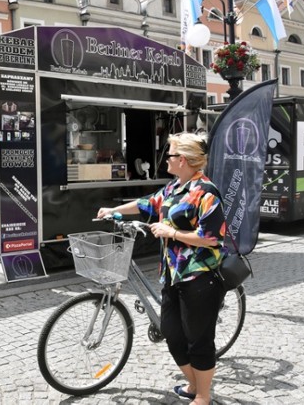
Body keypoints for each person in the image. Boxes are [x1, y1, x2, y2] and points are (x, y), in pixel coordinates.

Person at [97, 132, 226, 405]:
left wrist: (172, 232)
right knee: (171, 332)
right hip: (172, 275)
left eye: (169, 154)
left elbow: (213, 237)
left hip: (199, 277)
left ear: (183, 159)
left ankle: (203, 395)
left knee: (198, 340)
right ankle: (192, 384)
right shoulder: (173, 188)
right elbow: (147, 203)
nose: (165, 158)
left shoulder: (205, 192)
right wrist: (113, 209)